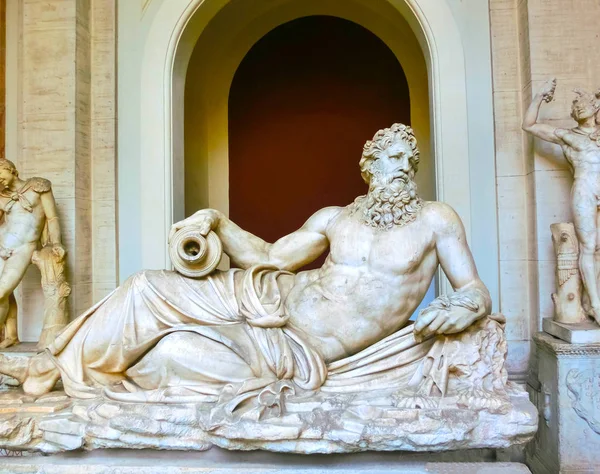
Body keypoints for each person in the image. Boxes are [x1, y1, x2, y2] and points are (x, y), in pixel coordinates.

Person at [7, 124, 492, 404]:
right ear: (369, 168)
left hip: (295, 344)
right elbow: (268, 257)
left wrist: (465, 305)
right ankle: (53, 364)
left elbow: (474, 288)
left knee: (168, 357)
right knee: (145, 286)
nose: (403, 167)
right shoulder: (335, 218)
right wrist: (217, 220)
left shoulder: (435, 220)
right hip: (267, 296)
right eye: (391, 159)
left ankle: (73, 370)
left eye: (411, 159)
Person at [522, 79, 600, 323]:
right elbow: (529, 125)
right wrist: (539, 96)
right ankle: (596, 305)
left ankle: (589, 301)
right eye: (574, 106)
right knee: (589, 246)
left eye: (583, 103)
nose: (577, 107)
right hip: (585, 188)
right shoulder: (567, 136)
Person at [0, 159, 63, 348]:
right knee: (5, 292)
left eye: (0, 175)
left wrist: (57, 242)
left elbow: (52, 217)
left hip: (23, 247)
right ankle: (11, 336)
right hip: (2, 243)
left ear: (12, 170)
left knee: (1, 291)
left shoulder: (38, 186)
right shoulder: (2, 195)